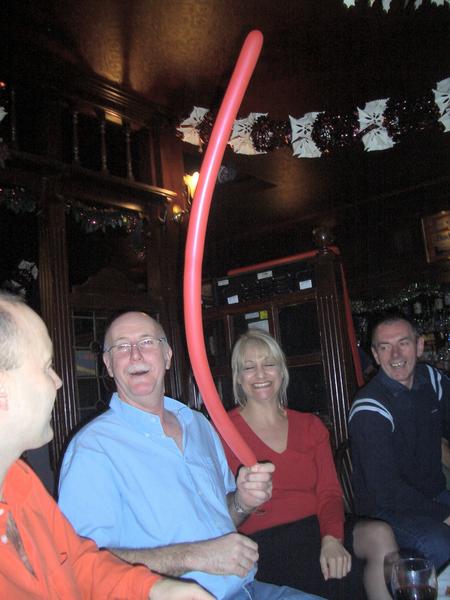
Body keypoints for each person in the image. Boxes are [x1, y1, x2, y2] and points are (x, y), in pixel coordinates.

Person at [58, 310, 324, 600]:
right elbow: (82, 567)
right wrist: (194, 556)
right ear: (109, 365)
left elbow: (224, 516)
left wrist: (242, 502)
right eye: (121, 347)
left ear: (167, 356)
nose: (135, 355)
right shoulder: (92, 449)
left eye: (147, 342)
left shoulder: (198, 425)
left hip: (249, 588)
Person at [0, 291, 214, 600]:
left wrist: (155, 588)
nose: (58, 382)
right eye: (46, 366)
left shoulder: (20, 482)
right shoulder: (92, 449)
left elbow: (78, 563)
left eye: (147, 343)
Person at [222, 328, 398, 600]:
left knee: (379, 534)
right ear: (238, 377)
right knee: (331, 576)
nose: (260, 374)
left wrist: (331, 538)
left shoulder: (310, 426)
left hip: (316, 526)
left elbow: (329, 493)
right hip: (262, 541)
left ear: (282, 371)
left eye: (269, 364)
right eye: (249, 367)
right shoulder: (222, 431)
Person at [349, 312, 450, 570]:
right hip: (386, 511)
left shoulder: (432, 380)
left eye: (403, 343)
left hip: (432, 495)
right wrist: (444, 515)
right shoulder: (370, 407)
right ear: (375, 354)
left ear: (419, 345)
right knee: (440, 543)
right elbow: (385, 491)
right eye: (385, 347)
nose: (395, 354)